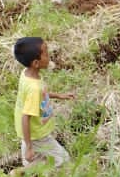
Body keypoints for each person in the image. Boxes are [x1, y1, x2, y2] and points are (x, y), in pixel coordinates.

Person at [14, 36, 75, 167]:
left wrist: (59, 95)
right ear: (36, 63)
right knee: (63, 159)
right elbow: (25, 117)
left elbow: (42, 95)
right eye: (46, 54)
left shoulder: (26, 73)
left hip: (32, 132)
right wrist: (30, 146)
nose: (49, 56)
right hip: (37, 134)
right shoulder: (34, 88)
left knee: (35, 163)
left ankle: (29, 175)